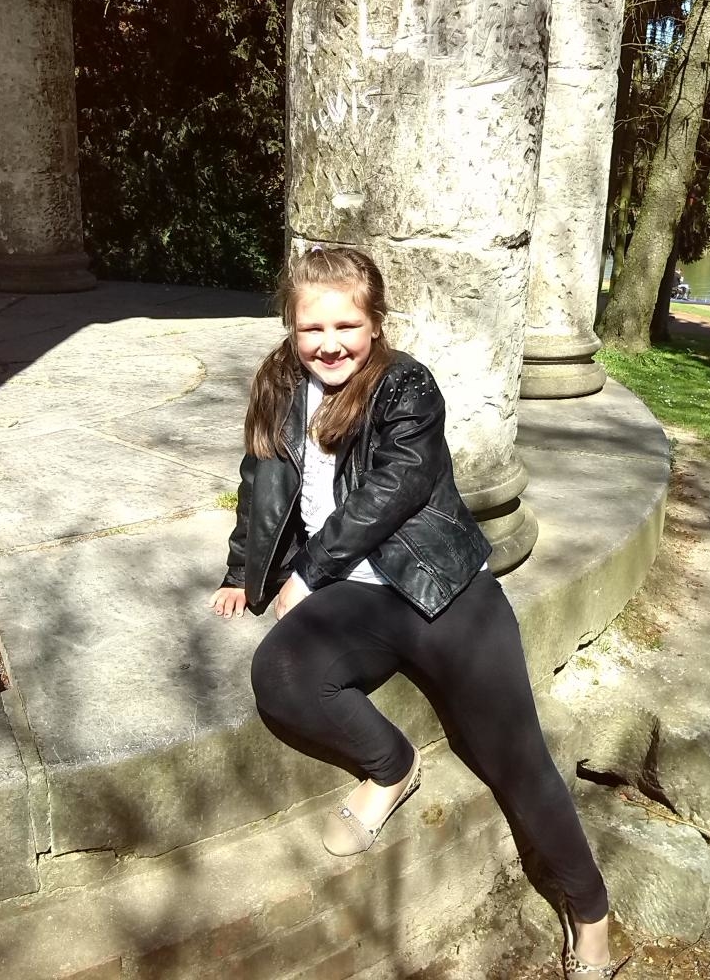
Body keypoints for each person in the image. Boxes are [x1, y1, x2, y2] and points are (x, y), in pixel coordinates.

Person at [209, 246, 612, 979]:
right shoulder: (277, 384)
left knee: (515, 759)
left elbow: (393, 487)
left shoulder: (407, 385)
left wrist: (306, 572)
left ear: (375, 323)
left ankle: (591, 914)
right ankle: (392, 769)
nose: (330, 343)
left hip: (440, 586)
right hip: (354, 597)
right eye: (312, 328)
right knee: (281, 674)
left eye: (347, 325)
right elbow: (258, 480)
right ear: (291, 327)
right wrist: (243, 571)